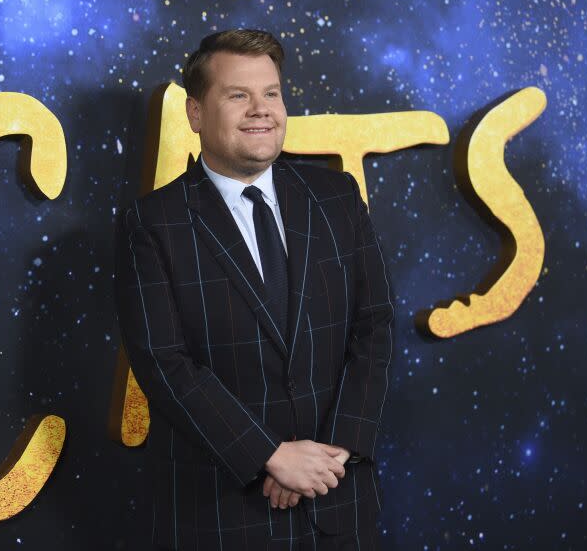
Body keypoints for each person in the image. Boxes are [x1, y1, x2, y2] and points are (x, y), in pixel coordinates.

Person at [114, 28, 394, 550]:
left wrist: (329, 456)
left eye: (271, 93)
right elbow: (166, 364)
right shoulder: (153, 224)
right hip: (219, 516)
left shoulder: (337, 198)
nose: (261, 110)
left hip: (337, 505)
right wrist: (271, 456)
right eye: (238, 95)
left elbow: (373, 326)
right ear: (196, 114)